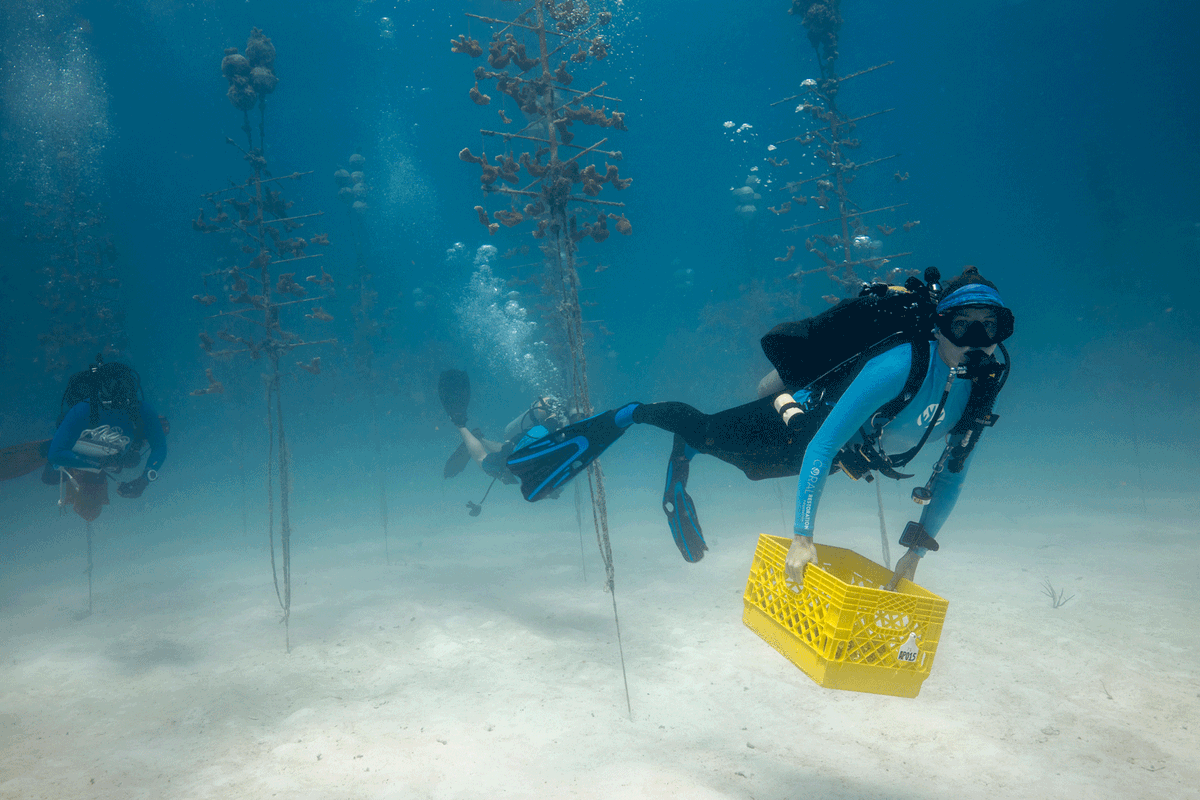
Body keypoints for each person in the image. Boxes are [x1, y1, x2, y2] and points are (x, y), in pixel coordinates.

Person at [504, 266, 1013, 590]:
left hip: (840, 455)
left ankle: (690, 445)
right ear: (939, 325)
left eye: (990, 327)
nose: (976, 339)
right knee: (708, 433)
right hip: (800, 425)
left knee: (752, 472)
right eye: (962, 324)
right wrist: (803, 537)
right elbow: (822, 446)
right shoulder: (900, 365)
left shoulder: (981, 387)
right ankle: (633, 415)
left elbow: (953, 474)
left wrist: (915, 553)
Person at [38, 357, 168, 521]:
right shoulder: (85, 409)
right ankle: (66, 454)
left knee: (51, 476)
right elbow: (56, 454)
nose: (118, 400)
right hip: (95, 458)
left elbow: (159, 447)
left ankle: (71, 460)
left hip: (102, 458)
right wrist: (144, 477)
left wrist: (145, 478)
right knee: (50, 476)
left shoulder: (85, 410)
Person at [438, 369, 565, 514]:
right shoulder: (539, 467)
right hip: (532, 444)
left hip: (533, 441)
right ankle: (461, 425)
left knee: (504, 451)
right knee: (484, 460)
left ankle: (470, 431)